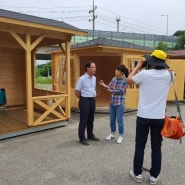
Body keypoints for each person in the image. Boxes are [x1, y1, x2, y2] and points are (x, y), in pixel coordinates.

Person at [126, 50, 173, 184]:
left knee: (140, 145)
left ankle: (137, 174)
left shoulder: (144, 74)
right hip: (159, 117)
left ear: (151, 62)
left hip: (143, 116)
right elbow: (169, 70)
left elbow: (128, 80)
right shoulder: (170, 75)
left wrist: (137, 66)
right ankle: (153, 176)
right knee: (156, 147)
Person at [99, 64, 128, 144]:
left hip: (120, 103)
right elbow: (109, 87)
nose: (115, 71)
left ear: (122, 72)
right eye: (116, 70)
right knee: (112, 120)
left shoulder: (125, 80)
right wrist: (103, 85)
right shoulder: (114, 79)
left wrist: (112, 91)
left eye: (117, 70)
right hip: (112, 103)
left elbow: (122, 91)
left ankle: (121, 135)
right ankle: (112, 133)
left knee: (120, 120)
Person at [75, 61, 99, 146]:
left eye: (95, 67)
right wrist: (83, 99)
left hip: (92, 100)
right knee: (83, 120)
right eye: (93, 67)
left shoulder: (94, 78)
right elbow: (77, 91)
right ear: (88, 68)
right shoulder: (81, 79)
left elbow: (93, 88)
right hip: (85, 101)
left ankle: (90, 135)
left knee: (91, 119)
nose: (95, 69)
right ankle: (82, 138)